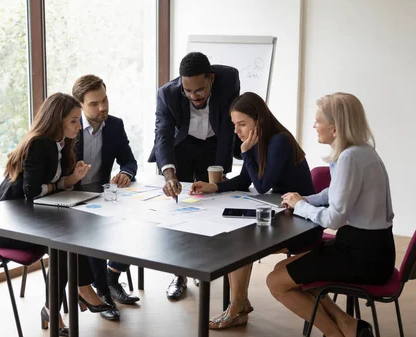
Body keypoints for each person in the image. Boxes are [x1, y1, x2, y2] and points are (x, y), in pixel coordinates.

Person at [266, 93, 395, 337]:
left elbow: (334, 219)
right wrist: (303, 200)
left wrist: (300, 206)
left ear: (335, 129)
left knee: (276, 282)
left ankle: (336, 334)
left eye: (317, 121)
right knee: (285, 270)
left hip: (362, 256)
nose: (314, 126)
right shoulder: (362, 151)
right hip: (374, 250)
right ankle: (349, 325)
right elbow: (333, 192)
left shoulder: (350, 158)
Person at [189, 92, 319, 329]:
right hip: (284, 215)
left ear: (258, 121)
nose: (237, 131)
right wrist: (214, 186)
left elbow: (261, 186)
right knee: (236, 235)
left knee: (242, 242)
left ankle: (237, 306)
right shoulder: (261, 141)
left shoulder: (279, 141)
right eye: (234, 125)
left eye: (242, 124)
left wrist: (246, 151)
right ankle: (238, 304)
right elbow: (242, 180)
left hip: (303, 225)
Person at [0, 93, 113, 336]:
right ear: (57, 121)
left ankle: (56, 305)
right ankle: (80, 291)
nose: (79, 127)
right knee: (62, 244)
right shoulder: (39, 143)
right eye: (74, 121)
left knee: (67, 239)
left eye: (78, 121)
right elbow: (32, 192)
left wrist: (72, 179)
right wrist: (59, 185)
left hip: (31, 218)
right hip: (8, 225)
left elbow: (49, 186)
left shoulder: (62, 143)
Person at [148, 51, 240, 300]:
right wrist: (169, 174)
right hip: (183, 147)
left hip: (214, 145)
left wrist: (221, 171)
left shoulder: (229, 80)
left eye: (199, 90)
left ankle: (204, 267)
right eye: (188, 91)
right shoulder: (167, 94)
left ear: (211, 78)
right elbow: (163, 135)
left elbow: (229, 128)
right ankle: (179, 274)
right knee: (180, 209)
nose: (193, 96)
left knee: (212, 206)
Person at [71, 74, 140, 321]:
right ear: (79, 105)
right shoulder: (69, 126)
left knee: (139, 223)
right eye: (94, 103)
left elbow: (130, 160)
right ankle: (103, 292)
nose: (102, 107)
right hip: (71, 197)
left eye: (105, 100)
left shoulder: (115, 125)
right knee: (95, 233)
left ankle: (111, 277)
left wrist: (125, 172)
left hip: (102, 193)